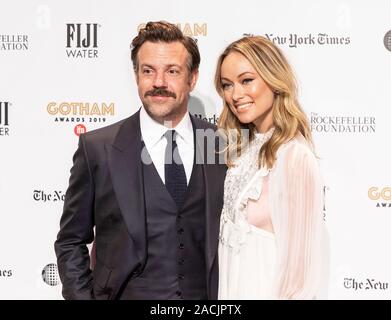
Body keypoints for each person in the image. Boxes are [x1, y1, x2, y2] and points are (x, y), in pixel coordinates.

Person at [54, 21, 226, 300]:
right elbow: (71, 240)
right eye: (148, 71)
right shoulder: (98, 148)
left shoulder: (219, 143)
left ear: (192, 79)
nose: (159, 82)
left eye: (172, 71)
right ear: (137, 76)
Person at [215, 36, 329, 299]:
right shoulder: (242, 150)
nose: (235, 94)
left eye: (246, 80)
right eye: (227, 85)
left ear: (273, 79)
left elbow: (301, 275)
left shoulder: (294, 156)